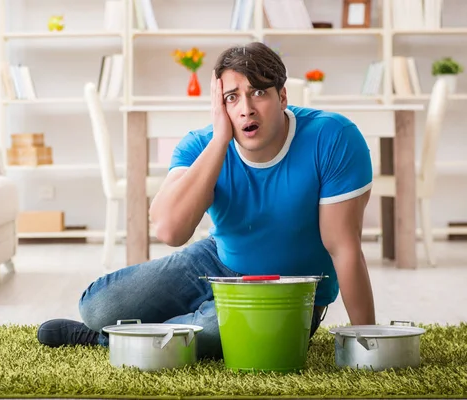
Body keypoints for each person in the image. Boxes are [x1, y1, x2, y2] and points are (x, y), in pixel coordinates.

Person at [37, 41, 376, 359]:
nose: (246, 109)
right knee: (98, 309)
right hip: (218, 260)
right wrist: (219, 142)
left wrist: (368, 341)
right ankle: (153, 328)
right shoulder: (200, 144)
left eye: (258, 93)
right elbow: (170, 230)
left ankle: (107, 339)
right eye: (231, 97)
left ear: (282, 96)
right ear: (218, 104)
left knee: (216, 333)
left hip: (291, 292)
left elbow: (344, 248)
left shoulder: (333, 138)